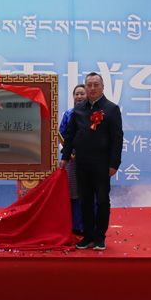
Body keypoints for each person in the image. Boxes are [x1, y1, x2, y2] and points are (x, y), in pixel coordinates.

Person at [58, 72, 123, 251]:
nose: (92, 88)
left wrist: (114, 164)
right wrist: (65, 158)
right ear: (85, 87)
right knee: (85, 200)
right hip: (82, 163)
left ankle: (100, 237)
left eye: (96, 84)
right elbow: (70, 135)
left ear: (102, 87)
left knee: (102, 200)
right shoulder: (78, 109)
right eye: (89, 85)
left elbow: (117, 139)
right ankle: (87, 236)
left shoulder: (111, 109)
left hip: (103, 164)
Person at [59, 84, 87, 234]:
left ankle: (88, 226)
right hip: (71, 158)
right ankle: (74, 226)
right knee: (73, 193)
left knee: (88, 192)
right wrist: (68, 153)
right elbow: (61, 135)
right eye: (77, 94)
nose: (79, 96)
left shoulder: (94, 114)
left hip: (88, 158)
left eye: (82, 93)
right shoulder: (68, 114)